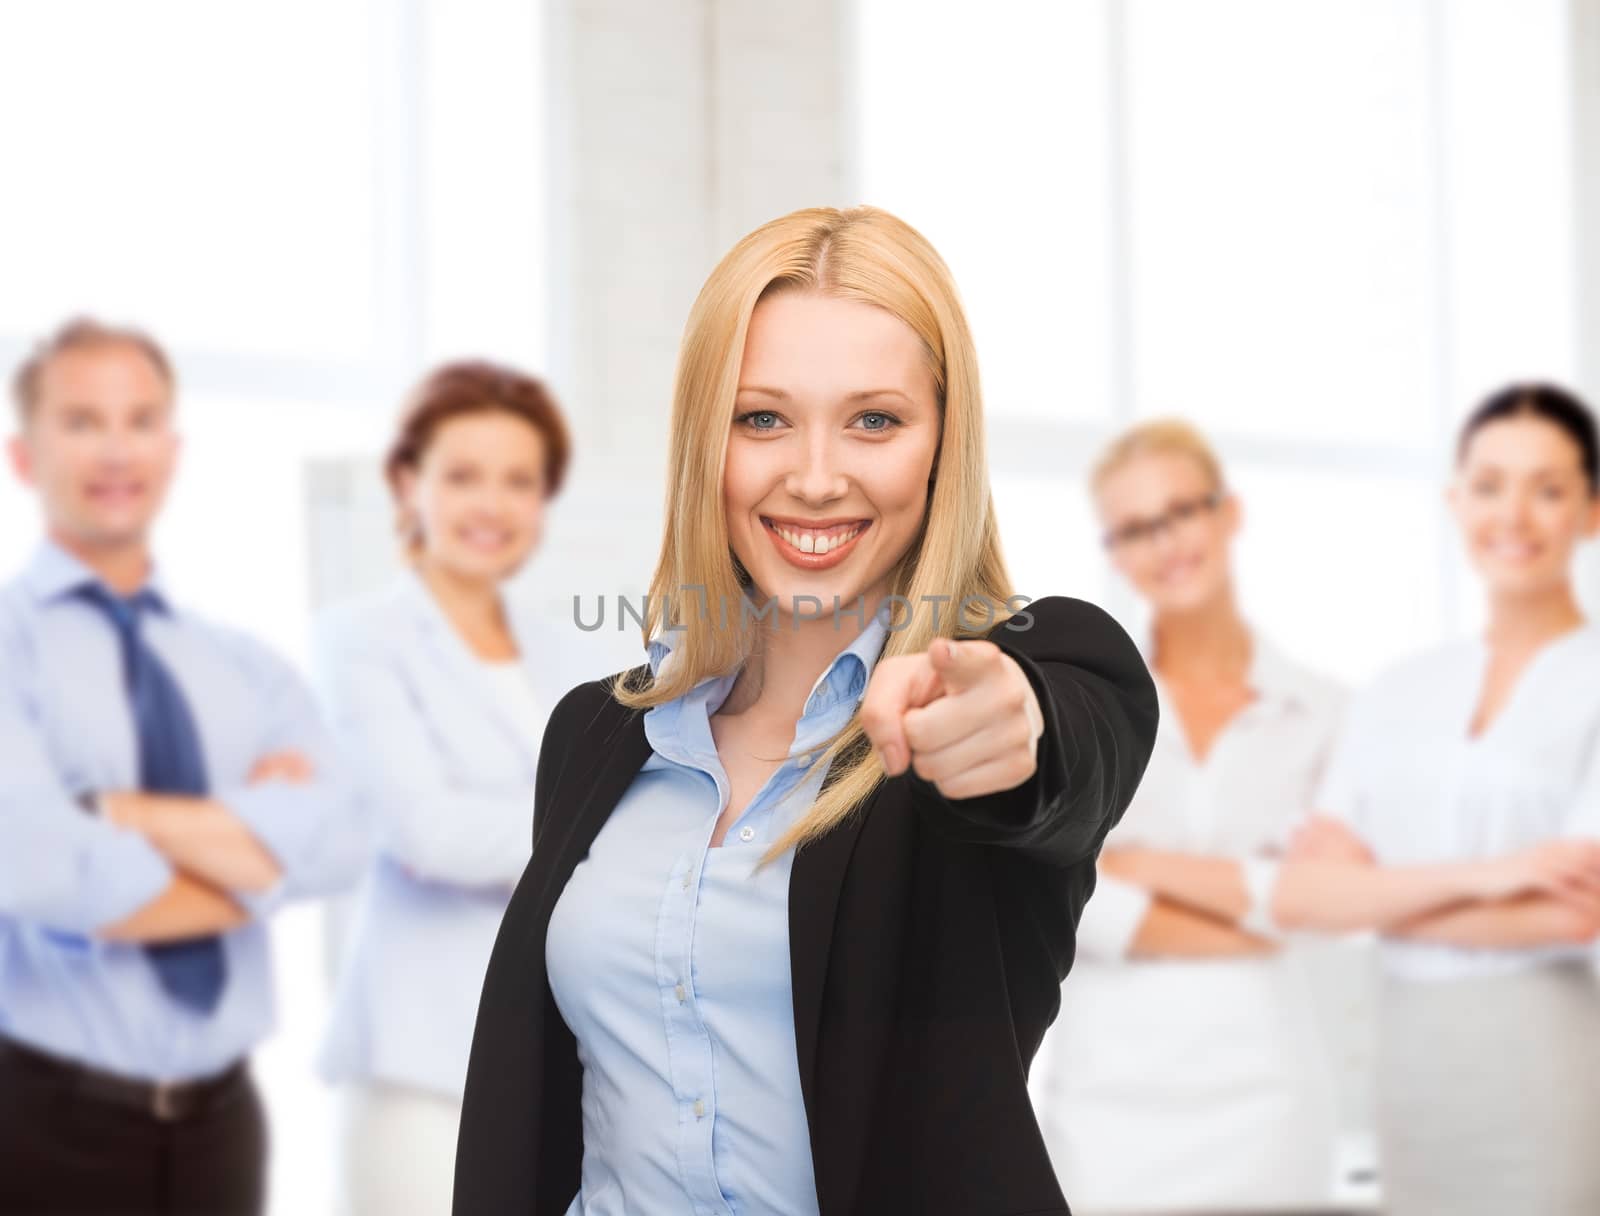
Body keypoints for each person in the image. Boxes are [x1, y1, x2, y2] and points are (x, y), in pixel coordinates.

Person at [450, 205, 1160, 1216]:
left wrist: (1010, 721)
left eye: (874, 419)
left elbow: (1065, 740)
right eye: (762, 418)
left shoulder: (1005, 688)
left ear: (940, 446)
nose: (816, 478)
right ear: (708, 440)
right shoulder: (595, 734)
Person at [0, 317, 366, 1216]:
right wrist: (256, 854)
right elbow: (49, 872)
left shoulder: (245, 667)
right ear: (23, 454)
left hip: (224, 1127)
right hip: (46, 1127)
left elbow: (344, 838)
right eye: (82, 420)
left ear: (172, 449)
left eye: (140, 419)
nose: (116, 447)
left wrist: (120, 811)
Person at [1272, 383, 1600, 1215]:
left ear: (1590, 511)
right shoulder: (1396, 693)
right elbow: (1306, 896)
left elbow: (1575, 913)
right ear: (1455, 500)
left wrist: (1373, 897)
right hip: (1410, 1062)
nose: (1513, 515)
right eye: (1488, 485)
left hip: (1552, 1060)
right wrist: (1500, 880)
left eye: (1549, 488)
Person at [1029, 419, 1343, 1212]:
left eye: (1182, 512)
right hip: (1109, 1114)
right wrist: (1256, 910)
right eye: (1135, 529)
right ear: (1114, 551)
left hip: (1271, 1104)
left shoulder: (1324, 711)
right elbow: (1075, 896)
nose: (1164, 544)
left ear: (1226, 514)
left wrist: (1145, 868)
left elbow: (1331, 901)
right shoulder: (1081, 710)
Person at [316, 359, 589, 1216]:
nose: (493, 506)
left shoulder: (566, 655)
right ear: (407, 483)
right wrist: (593, 834)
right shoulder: (360, 640)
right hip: (424, 1064)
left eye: (520, 480)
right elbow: (424, 830)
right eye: (463, 476)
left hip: (560, 1055)